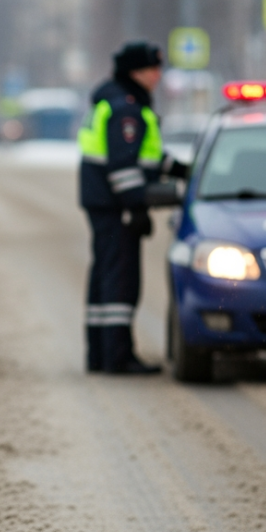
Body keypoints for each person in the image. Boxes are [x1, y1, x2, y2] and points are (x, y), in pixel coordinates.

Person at [77, 41, 185, 374]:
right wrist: (135, 208)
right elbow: (123, 167)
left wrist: (177, 169)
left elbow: (143, 156)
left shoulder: (118, 101)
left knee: (104, 278)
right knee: (120, 282)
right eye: (153, 69)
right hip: (116, 207)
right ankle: (118, 358)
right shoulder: (126, 108)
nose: (158, 75)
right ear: (137, 72)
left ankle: (100, 354)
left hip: (104, 205)